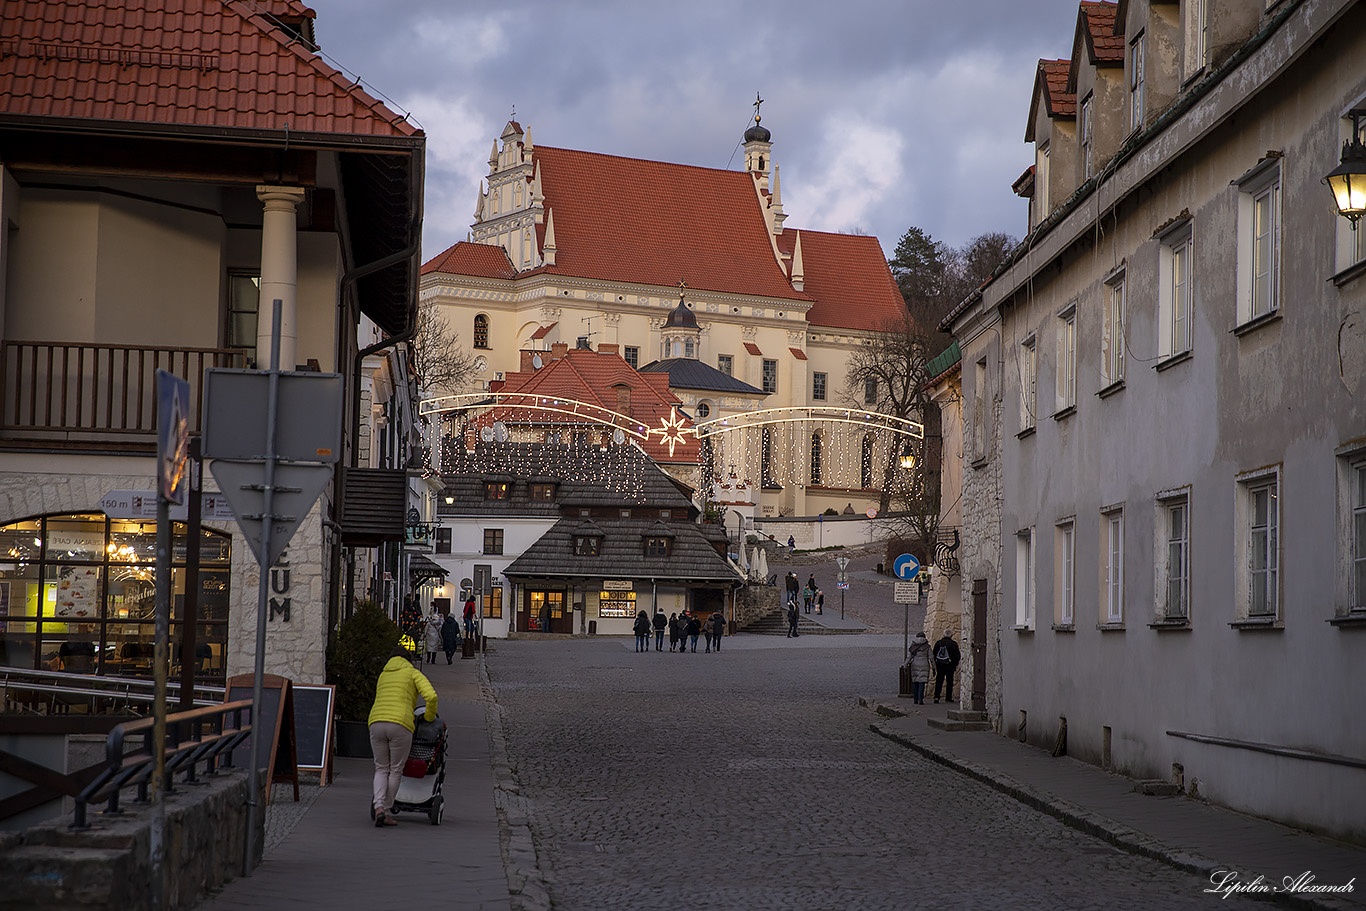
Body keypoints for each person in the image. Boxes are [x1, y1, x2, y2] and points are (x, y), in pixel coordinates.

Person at [368, 647, 437, 827]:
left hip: (376, 722)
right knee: (395, 769)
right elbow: (431, 696)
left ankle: (378, 807)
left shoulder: (383, 674)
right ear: (409, 659)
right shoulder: (412, 673)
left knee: (381, 768)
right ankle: (386, 810)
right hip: (400, 723)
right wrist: (429, 717)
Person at [933, 630, 962, 703]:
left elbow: (934, 654)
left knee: (939, 681)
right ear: (951, 635)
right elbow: (957, 656)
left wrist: (936, 664)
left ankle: (936, 697)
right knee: (949, 682)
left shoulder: (938, 643)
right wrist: (955, 665)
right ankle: (948, 697)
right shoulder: (953, 644)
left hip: (940, 665)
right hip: (950, 666)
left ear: (943, 634)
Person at [907, 632, 932, 705]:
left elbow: (909, 656)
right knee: (922, 682)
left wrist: (905, 665)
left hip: (915, 664)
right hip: (924, 664)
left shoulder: (913, 646)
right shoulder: (927, 646)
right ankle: (920, 699)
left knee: (915, 681)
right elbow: (931, 657)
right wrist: (934, 667)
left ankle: (915, 699)